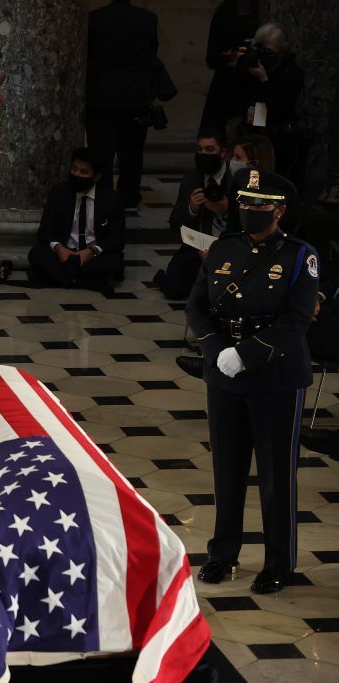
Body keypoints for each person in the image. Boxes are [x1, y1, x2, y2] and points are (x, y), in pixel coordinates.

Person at [186, 167, 318, 594]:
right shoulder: (225, 248)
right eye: (244, 203)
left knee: (276, 475)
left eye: (259, 205)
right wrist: (216, 350)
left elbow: (297, 320)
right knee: (227, 468)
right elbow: (197, 306)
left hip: (275, 376)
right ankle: (223, 554)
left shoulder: (300, 255)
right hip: (223, 373)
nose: (250, 211)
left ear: (279, 210)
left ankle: (279, 562)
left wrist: (245, 355)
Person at [85, 0, 160, 212]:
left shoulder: (95, 19)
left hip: (101, 98)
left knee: (102, 153)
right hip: (135, 98)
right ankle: (129, 197)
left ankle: (103, 195)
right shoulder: (147, 19)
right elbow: (152, 53)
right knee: (132, 154)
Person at [28, 147, 125, 293]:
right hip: (64, 254)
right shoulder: (59, 192)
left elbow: (117, 239)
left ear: (96, 176)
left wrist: (91, 251)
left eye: (83, 172)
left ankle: (62, 278)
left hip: (93, 256)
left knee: (114, 262)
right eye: (74, 169)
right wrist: (59, 248)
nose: (77, 174)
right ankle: (89, 281)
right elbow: (44, 231)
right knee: (36, 255)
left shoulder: (110, 198)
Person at [158, 131, 236, 300]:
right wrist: (191, 209)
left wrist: (226, 210)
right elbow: (175, 226)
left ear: (223, 152)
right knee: (173, 289)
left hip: (229, 249)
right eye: (200, 149)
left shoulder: (236, 179)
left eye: (209, 150)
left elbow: (248, 226)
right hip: (197, 245)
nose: (204, 155)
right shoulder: (191, 179)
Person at [236, 22, 305, 181]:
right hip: (252, 135)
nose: (266, 57)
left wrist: (264, 80)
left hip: (277, 140)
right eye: (262, 51)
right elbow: (237, 95)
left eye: (270, 52)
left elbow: (278, 108)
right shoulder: (254, 66)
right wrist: (239, 65)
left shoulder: (292, 72)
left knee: (270, 181)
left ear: (282, 51)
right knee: (251, 181)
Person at [199, 0, 260, 139]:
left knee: (256, 135)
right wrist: (231, 61)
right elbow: (211, 57)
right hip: (226, 85)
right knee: (216, 136)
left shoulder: (262, 11)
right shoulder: (224, 13)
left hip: (256, 86)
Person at [300, 277, 339, 460]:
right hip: (328, 318)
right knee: (289, 313)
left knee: (290, 321)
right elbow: (333, 283)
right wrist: (314, 298)